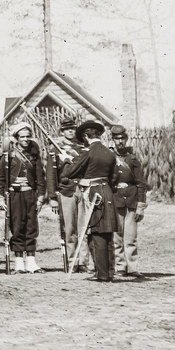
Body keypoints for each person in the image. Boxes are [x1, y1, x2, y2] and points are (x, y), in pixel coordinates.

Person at [61, 119, 118, 282]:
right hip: (106, 191)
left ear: (86, 136)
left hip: (94, 194)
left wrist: (66, 160)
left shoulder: (88, 152)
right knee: (107, 232)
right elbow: (114, 177)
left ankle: (102, 274)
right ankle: (108, 271)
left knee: (97, 232)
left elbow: (69, 173)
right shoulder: (109, 153)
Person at [0, 122, 47, 273]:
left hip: (30, 194)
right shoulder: (8, 156)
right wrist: (1, 197)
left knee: (31, 227)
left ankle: (31, 263)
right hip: (14, 195)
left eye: (27, 136)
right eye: (22, 136)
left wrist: (40, 197)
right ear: (16, 138)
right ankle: (19, 263)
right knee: (17, 227)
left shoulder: (35, 155)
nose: (25, 139)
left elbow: (40, 178)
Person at [45, 117, 90, 271]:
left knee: (84, 227)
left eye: (72, 129)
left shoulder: (83, 146)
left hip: (83, 189)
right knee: (69, 229)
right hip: (66, 190)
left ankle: (83, 261)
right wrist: (52, 197)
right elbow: (51, 174)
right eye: (66, 129)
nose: (70, 131)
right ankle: (72, 261)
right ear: (62, 131)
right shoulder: (56, 149)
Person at [110, 124, 149, 279]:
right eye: (117, 139)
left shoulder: (132, 160)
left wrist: (140, 205)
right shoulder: (109, 158)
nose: (120, 142)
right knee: (116, 237)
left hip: (131, 202)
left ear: (126, 139)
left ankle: (132, 267)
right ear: (112, 140)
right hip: (115, 200)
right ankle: (120, 267)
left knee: (131, 237)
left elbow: (141, 183)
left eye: (122, 139)